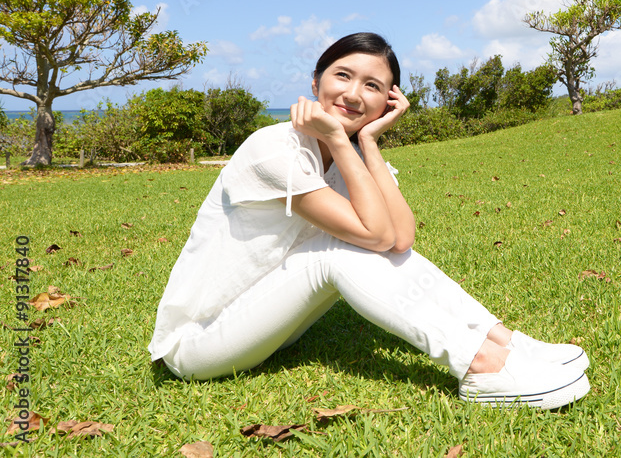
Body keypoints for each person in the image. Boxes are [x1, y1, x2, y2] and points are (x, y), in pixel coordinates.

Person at [147, 32, 590, 409]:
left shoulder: (353, 155)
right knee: (332, 254)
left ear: (388, 101)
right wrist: (341, 138)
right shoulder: (272, 149)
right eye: (343, 76)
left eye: (373, 86)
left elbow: (400, 241)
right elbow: (376, 237)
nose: (354, 94)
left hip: (271, 327)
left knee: (360, 249)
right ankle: (480, 367)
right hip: (198, 344)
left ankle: (503, 342)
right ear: (316, 81)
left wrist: (370, 145)